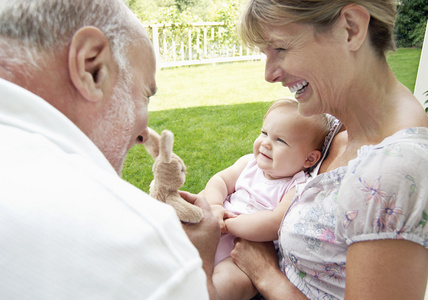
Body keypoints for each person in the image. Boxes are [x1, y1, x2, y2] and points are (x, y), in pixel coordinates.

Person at [0, 0, 220, 299]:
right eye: (145, 94)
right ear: (92, 67)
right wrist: (199, 264)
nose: (145, 129)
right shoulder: (139, 246)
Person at [228, 0, 428, 299]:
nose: (269, 74)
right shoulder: (334, 126)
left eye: (280, 48)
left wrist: (266, 275)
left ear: (351, 29)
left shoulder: (395, 171)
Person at [200, 98, 330, 300]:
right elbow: (220, 181)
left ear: (309, 159)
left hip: (245, 253)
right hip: (216, 226)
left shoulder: (296, 187)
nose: (265, 143)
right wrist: (215, 205)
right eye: (264, 133)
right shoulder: (249, 164)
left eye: (280, 140)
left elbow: (273, 222)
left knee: (227, 285)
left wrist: (227, 224)